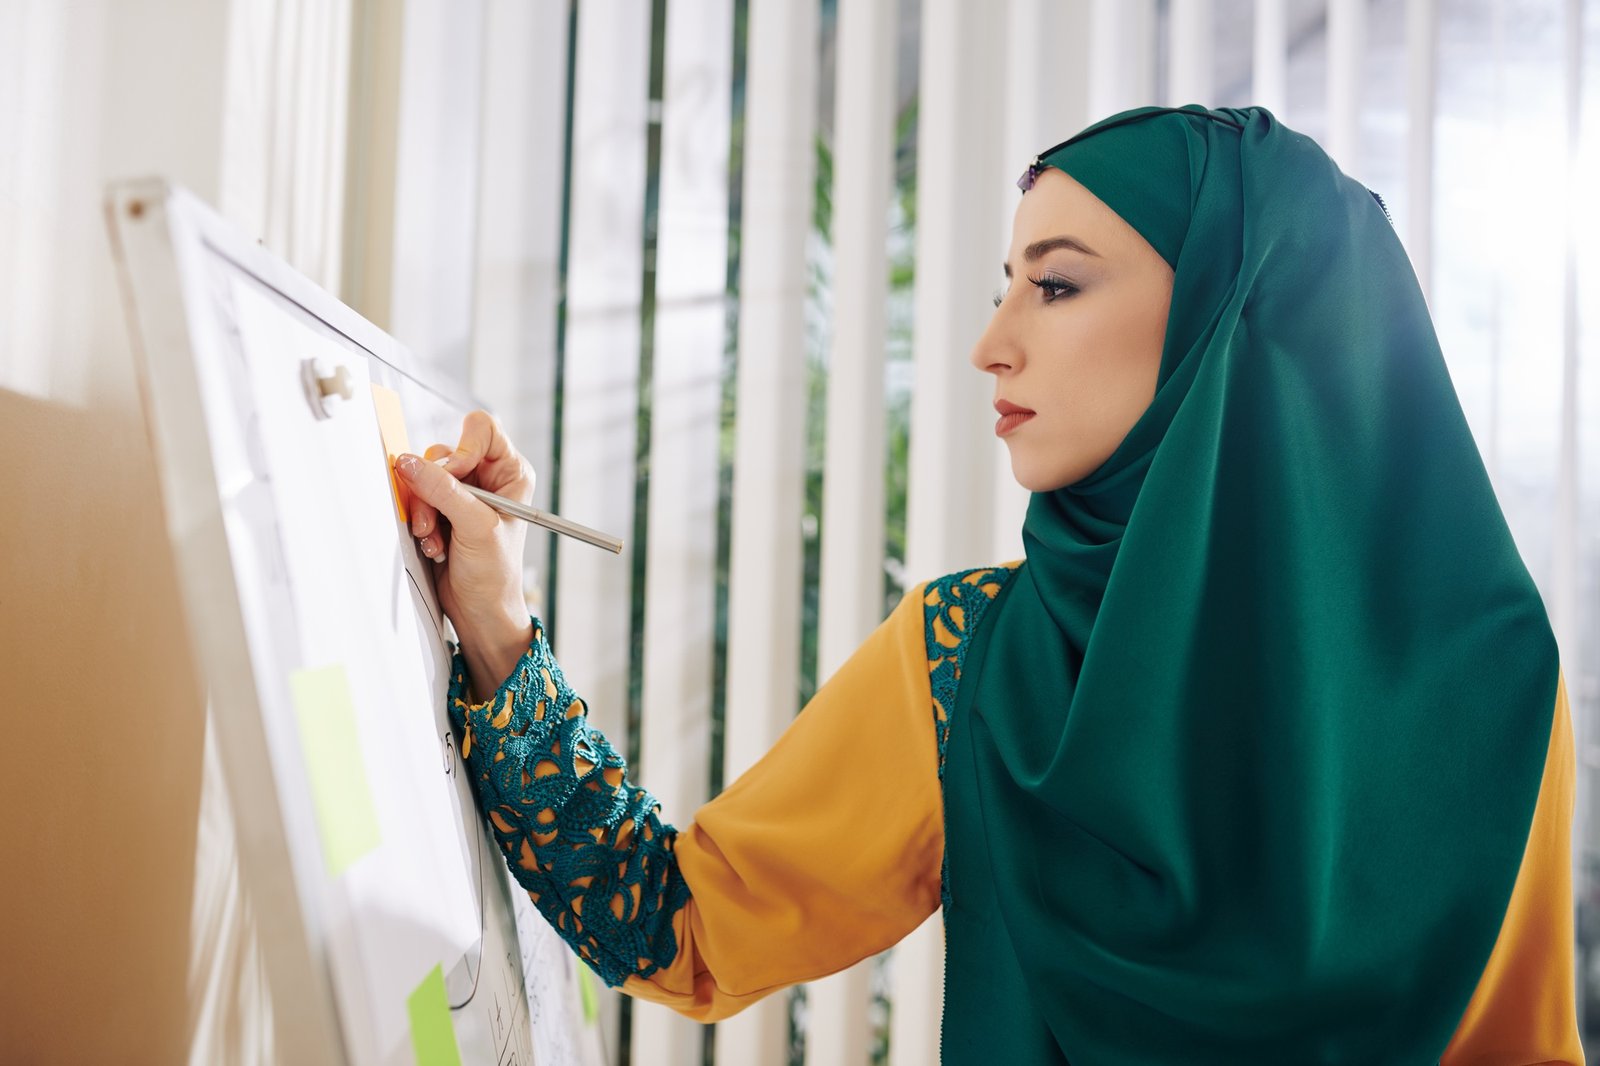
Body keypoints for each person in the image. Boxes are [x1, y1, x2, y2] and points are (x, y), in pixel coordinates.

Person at [393, 104, 1581, 1063]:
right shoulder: (968, 663)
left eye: (1054, 286)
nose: (989, 342)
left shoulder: (1493, 682)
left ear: (1231, 319)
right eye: (1005, 284)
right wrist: (493, 620)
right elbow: (679, 923)